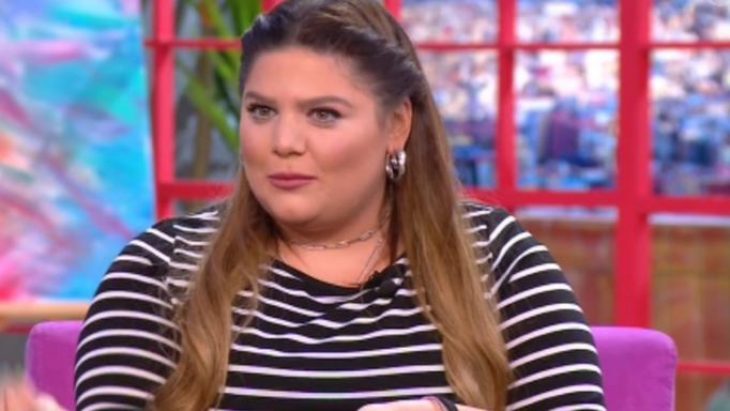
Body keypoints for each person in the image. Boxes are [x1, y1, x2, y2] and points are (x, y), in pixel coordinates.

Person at [4, 1, 605, 410]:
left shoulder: (497, 259)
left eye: (323, 114)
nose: (283, 141)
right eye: (261, 111)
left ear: (397, 125)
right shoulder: (159, 269)